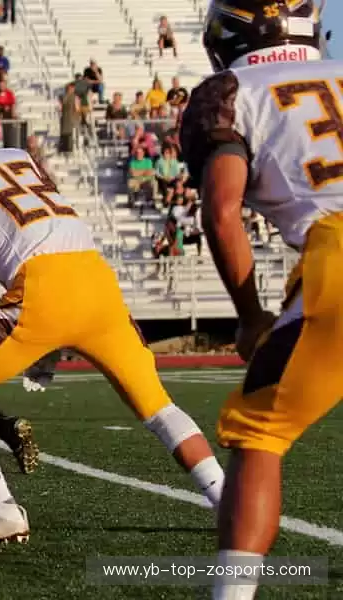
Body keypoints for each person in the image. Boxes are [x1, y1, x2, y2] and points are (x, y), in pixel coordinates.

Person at [0, 79, 224, 545]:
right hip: (98, 282)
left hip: (42, 289)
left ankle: (0, 511)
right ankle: (226, 499)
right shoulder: (16, 157)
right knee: (157, 406)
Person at [179, 2, 333, 597]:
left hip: (335, 253)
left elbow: (221, 211)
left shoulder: (231, 91)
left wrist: (248, 316)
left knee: (257, 433)